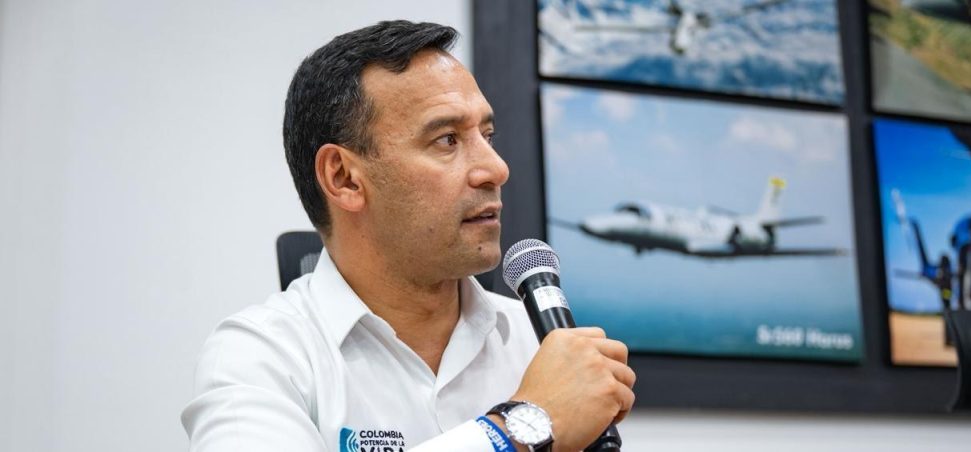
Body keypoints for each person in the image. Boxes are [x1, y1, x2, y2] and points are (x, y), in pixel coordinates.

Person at [181, 20, 636, 452]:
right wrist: (524, 424)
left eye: (487, 135)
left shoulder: (535, 341)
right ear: (344, 178)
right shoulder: (260, 354)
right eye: (447, 140)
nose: (496, 169)